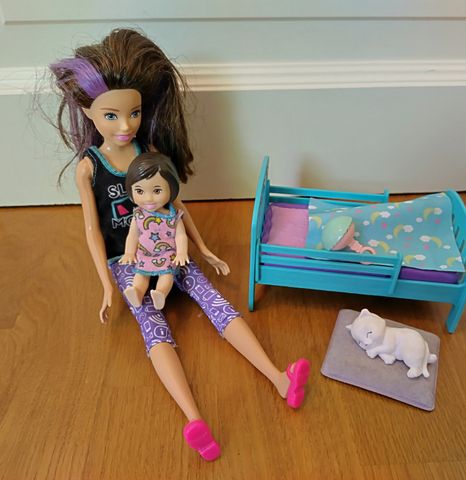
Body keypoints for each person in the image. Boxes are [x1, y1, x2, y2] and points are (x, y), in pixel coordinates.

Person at [50, 28, 310, 461]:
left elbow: (178, 206)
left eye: (133, 113)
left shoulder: (147, 150)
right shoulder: (88, 169)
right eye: (111, 115)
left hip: (172, 247)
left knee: (214, 299)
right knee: (151, 323)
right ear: (87, 110)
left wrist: (202, 249)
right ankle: (194, 419)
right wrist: (106, 284)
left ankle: (279, 378)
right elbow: (92, 230)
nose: (125, 125)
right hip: (127, 258)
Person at [120, 152, 188, 311]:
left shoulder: (173, 216)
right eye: (140, 191)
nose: (148, 199)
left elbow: (180, 235)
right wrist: (129, 252)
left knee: (167, 275)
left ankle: (160, 294)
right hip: (145, 253)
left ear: (171, 188)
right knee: (141, 275)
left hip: (167, 253)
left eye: (157, 191)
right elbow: (133, 235)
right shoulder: (138, 214)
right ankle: (137, 293)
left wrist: (181, 253)